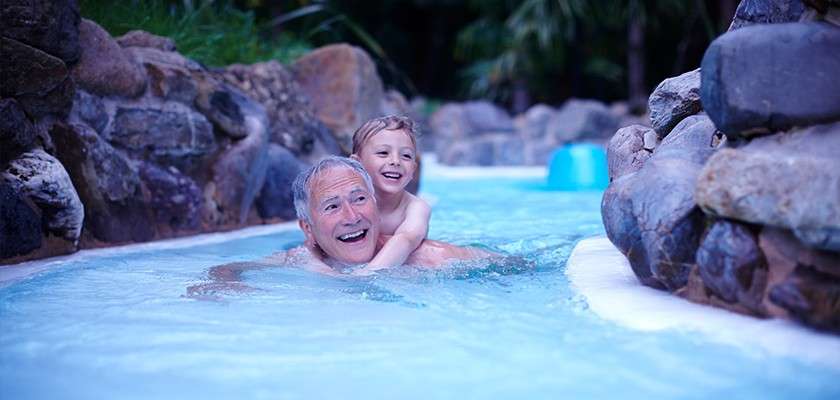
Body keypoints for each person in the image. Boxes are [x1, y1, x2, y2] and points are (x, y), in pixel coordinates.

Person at [188, 156, 488, 296]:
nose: (351, 216)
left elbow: (516, 267)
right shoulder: (299, 260)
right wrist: (222, 285)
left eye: (359, 199)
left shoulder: (429, 257)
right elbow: (229, 268)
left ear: (375, 204)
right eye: (332, 206)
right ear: (307, 229)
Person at [348, 115, 430, 272]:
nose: (395, 161)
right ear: (356, 164)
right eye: (383, 153)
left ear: (413, 169)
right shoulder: (348, 204)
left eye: (406, 155)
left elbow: (406, 239)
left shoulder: (416, 207)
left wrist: (366, 274)